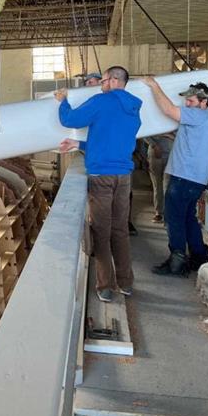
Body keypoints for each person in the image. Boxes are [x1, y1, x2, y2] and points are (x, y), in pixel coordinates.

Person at [56, 66, 142, 302]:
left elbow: (69, 119)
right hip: (123, 176)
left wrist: (63, 100)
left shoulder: (102, 101)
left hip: (101, 176)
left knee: (101, 231)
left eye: (103, 81)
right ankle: (126, 283)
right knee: (120, 229)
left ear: (114, 80)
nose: (101, 85)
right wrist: (80, 145)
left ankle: (105, 286)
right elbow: (113, 138)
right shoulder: (134, 106)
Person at [140, 78, 208, 276]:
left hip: (185, 176)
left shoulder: (198, 115)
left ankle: (177, 261)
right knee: (188, 218)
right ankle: (198, 256)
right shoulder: (204, 119)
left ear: (204, 102)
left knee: (174, 218)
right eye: (187, 101)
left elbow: (168, 110)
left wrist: (154, 86)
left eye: (191, 101)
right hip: (194, 178)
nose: (187, 104)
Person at [144, 133, 174, 222]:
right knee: (157, 184)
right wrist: (154, 145)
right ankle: (158, 212)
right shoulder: (151, 118)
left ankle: (168, 213)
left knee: (168, 185)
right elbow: (144, 131)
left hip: (172, 152)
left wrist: (169, 135)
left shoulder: (177, 118)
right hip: (154, 153)